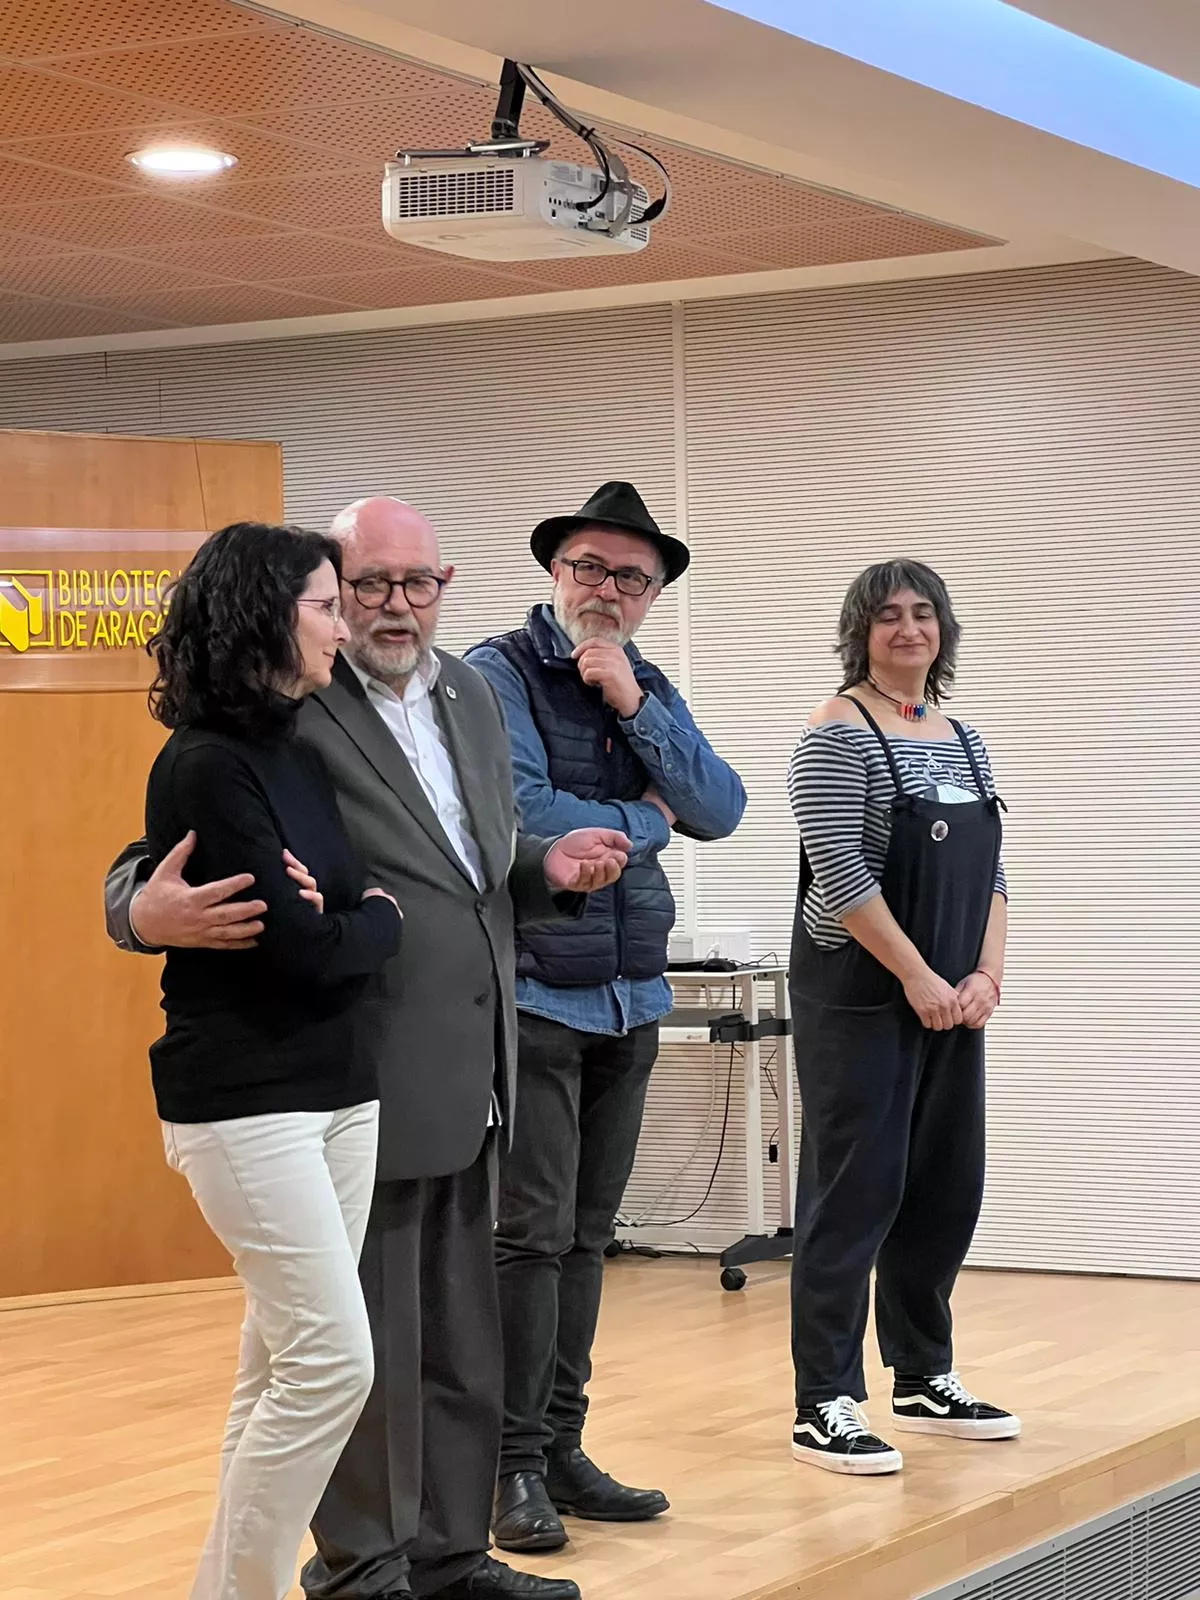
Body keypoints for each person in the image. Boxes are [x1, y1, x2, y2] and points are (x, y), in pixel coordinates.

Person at [107, 497, 632, 1600]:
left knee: (457, 1332)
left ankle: (449, 1553)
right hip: (344, 1059)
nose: (393, 606)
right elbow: (165, 846)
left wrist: (546, 867)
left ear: (446, 584)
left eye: (417, 583)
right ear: (333, 596)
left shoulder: (474, 696)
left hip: (474, 1051)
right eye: (367, 584)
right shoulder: (288, 702)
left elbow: (467, 857)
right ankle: (363, 1565)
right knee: (357, 1350)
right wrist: (138, 912)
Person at [465, 481, 746, 1554]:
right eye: (589, 567)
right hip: (536, 986)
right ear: (554, 571)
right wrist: (645, 815)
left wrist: (632, 704)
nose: (606, 589)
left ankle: (563, 1447)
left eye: (631, 577)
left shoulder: (646, 684)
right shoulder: (496, 673)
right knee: (528, 1237)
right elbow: (525, 812)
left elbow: (721, 805)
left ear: (652, 594)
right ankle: (509, 1470)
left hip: (631, 994)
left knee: (589, 1238)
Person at [141, 521, 404, 1600]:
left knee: (276, 1365)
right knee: (334, 1362)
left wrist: (350, 917)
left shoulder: (295, 747)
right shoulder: (202, 763)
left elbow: (329, 912)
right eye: (326, 604)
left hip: (340, 1087)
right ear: (265, 615)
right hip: (246, 1102)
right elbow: (307, 941)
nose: (344, 625)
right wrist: (374, 922)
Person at [785, 558, 1019, 1477]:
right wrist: (921, 977)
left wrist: (984, 977)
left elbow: (994, 872)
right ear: (861, 631)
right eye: (888, 617)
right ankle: (825, 1402)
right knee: (856, 1196)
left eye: (924, 614)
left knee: (944, 1189)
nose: (908, 629)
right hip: (862, 995)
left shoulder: (963, 739)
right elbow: (842, 878)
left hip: (955, 1000)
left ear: (944, 629)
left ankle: (923, 1375)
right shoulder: (835, 733)